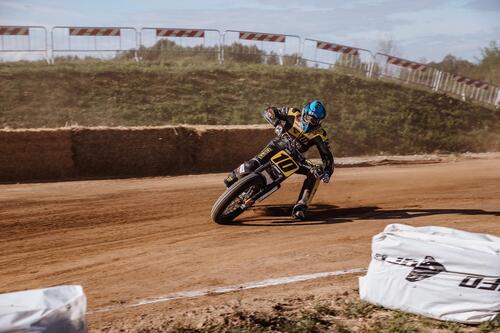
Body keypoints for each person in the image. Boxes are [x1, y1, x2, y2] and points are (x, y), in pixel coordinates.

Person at [224, 100, 334, 220]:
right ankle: (233, 175)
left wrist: (327, 172)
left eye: (316, 120)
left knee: (316, 172)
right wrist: (277, 123)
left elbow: (328, 157)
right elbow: (269, 111)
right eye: (309, 118)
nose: (311, 122)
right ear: (304, 113)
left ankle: (301, 206)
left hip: (295, 157)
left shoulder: (320, 134)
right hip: (276, 146)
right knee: (251, 165)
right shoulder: (293, 113)